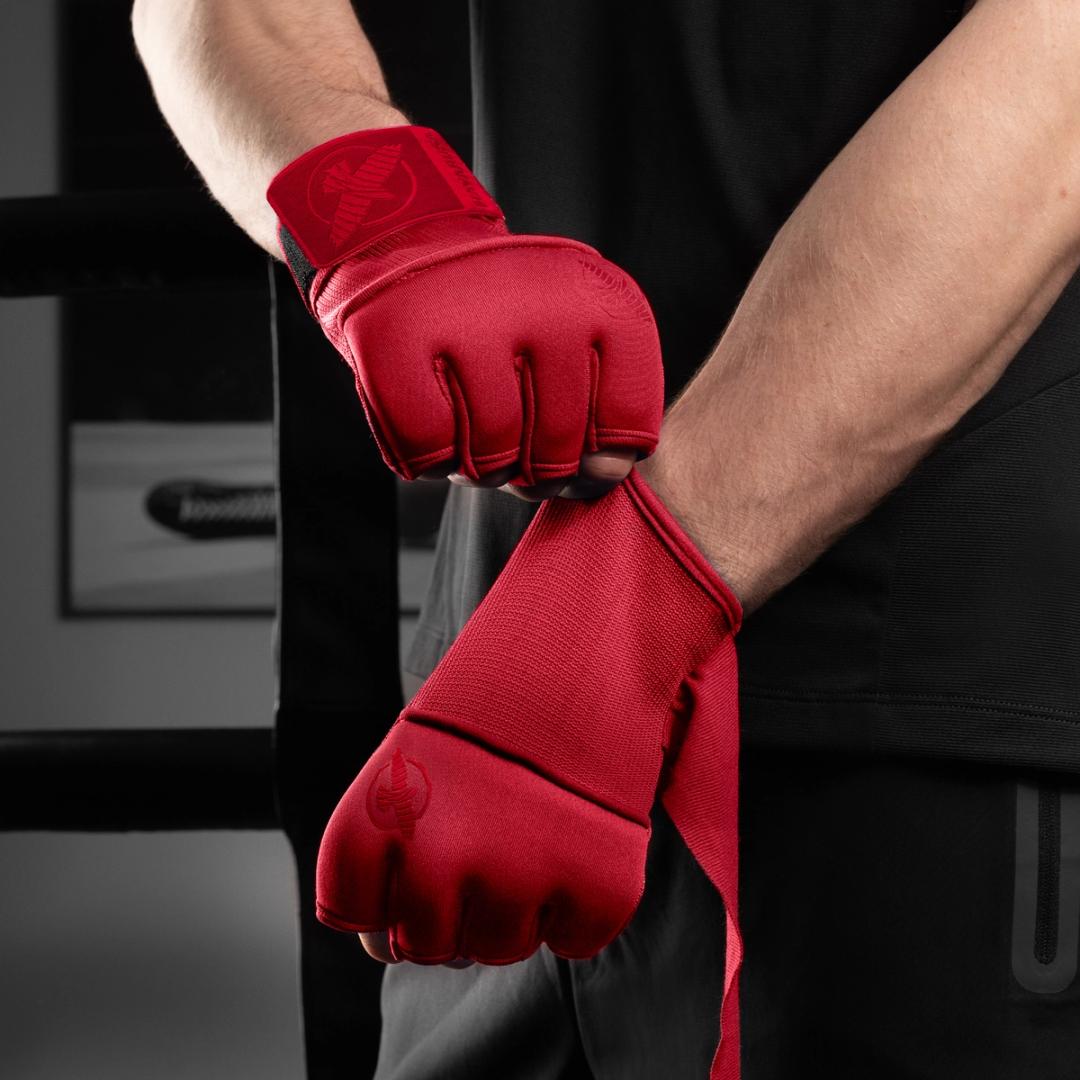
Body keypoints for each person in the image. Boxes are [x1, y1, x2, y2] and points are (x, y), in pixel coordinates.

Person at [133, 0, 1080, 1076]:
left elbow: (1059, 77)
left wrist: (618, 610)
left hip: (911, 725)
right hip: (494, 720)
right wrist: (386, 222)